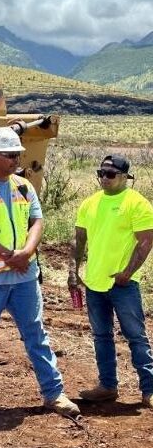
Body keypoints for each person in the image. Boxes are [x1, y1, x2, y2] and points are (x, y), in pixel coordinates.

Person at [0, 127, 80, 419]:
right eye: (10, 155)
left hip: (24, 277)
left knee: (36, 334)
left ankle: (54, 394)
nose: (16, 160)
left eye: (17, 154)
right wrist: (9, 256)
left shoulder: (24, 187)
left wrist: (25, 253)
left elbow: (36, 221)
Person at [68, 155, 153, 408]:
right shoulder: (90, 203)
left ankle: (149, 389)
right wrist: (73, 271)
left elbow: (146, 241)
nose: (104, 178)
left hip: (123, 285)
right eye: (101, 173)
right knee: (101, 336)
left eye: (111, 174)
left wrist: (127, 273)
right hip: (94, 283)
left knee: (136, 337)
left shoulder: (136, 203)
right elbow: (78, 240)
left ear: (125, 177)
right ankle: (107, 386)